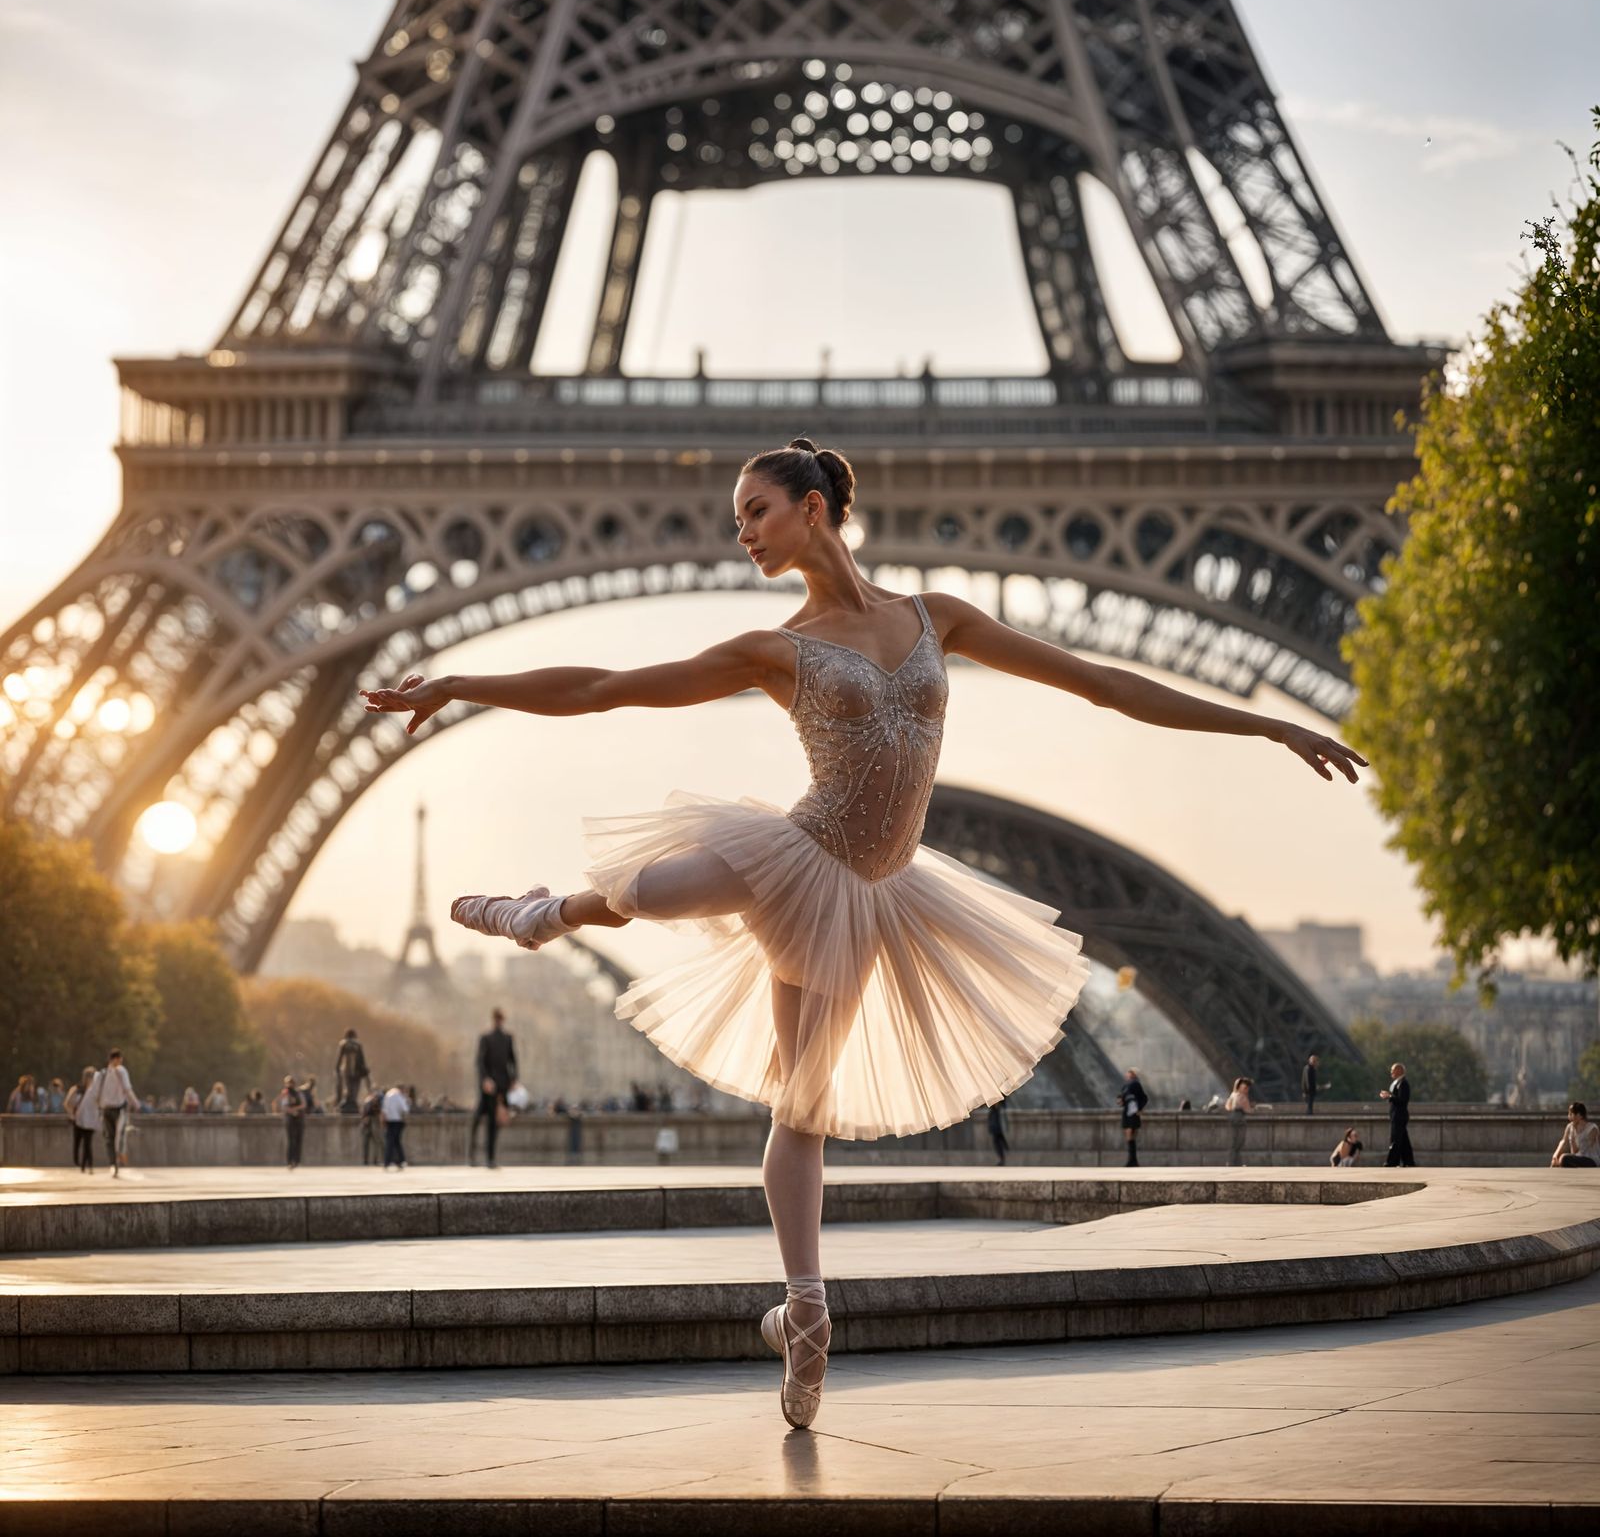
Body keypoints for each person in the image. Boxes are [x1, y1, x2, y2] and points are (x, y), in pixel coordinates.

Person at [361, 436, 1366, 1432]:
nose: (741, 533)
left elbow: (1102, 684)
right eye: (734, 519)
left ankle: (804, 1312)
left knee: (800, 1110)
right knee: (659, 890)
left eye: (754, 510)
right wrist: (461, 686)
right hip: (797, 857)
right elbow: (603, 686)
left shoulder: (939, 619)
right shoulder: (774, 648)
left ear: (813, 507)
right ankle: (546, 913)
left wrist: (1264, 725)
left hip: (874, 897)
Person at [469, 1008, 519, 1168]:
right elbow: (480, 1062)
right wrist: (485, 1080)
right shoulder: (486, 1038)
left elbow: (513, 1060)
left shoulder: (507, 1038)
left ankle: (489, 1158)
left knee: (494, 1122)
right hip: (489, 1086)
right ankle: (473, 1154)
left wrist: (513, 1079)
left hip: (501, 1085)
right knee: (480, 1120)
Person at [91, 1050, 138, 1177]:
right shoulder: (121, 1070)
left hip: (106, 1109)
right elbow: (127, 1089)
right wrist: (136, 1103)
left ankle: (113, 1162)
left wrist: (99, 1107)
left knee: (109, 1138)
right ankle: (119, 1155)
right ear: (118, 1059)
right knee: (120, 1134)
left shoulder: (101, 1074)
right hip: (119, 1109)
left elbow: (94, 1094)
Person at [1224, 1077, 1271, 1165]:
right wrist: (1253, 1108)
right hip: (1240, 1119)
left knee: (1233, 1143)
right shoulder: (1242, 1097)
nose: (1247, 1090)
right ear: (1241, 1087)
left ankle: (1231, 1162)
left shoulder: (1233, 1095)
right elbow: (1248, 1110)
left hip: (1232, 1117)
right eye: (1246, 1088)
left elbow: (1228, 1106)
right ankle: (1235, 1163)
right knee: (1239, 1142)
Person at [65, 1066, 99, 1173]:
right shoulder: (77, 1089)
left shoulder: (95, 1091)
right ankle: (78, 1162)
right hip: (78, 1120)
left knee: (87, 1144)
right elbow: (67, 1103)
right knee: (77, 1143)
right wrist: (72, 1115)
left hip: (90, 1121)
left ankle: (87, 1166)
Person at [1380, 1062, 1414, 1167]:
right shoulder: (1398, 1083)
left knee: (1395, 1139)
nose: (1391, 1072)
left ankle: (1392, 1162)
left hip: (1399, 1116)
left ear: (1399, 1071)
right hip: (1397, 1116)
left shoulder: (1403, 1084)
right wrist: (1390, 1095)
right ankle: (1408, 1161)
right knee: (1403, 1141)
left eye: (1392, 1070)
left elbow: (1402, 1100)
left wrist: (1389, 1096)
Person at [1551, 1102, 1600, 1168]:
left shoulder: (1592, 1128)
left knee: (1564, 1158)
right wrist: (1555, 1156)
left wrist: (1574, 1135)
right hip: (1578, 1158)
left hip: (1591, 1159)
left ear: (1579, 1115)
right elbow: (1564, 1142)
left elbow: (1580, 1150)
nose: (1569, 1117)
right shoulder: (1570, 1127)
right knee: (1560, 1159)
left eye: (1571, 1114)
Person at [334, 1029, 370, 1115]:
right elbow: (362, 1059)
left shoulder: (343, 1044)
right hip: (357, 1070)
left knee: (348, 1087)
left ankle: (348, 1102)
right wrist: (364, 1070)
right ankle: (352, 1102)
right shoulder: (358, 1045)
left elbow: (339, 1058)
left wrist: (337, 1068)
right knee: (355, 1088)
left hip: (346, 1069)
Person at [1119, 1068, 1149, 1167]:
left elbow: (1144, 1098)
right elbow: (1122, 1098)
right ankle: (1132, 1159)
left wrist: (1139, 1108)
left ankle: (1132, 1160)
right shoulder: (1126, 1085)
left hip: (1132, 1111)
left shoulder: (1135, 1084)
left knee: (1131, 1133)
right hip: (1128, 1111)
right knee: (1129, 1134)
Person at [277, 1074, 307, 1169]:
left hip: (299, 1119)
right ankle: (290, 1161)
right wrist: (292, 1111)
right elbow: (283, 1106)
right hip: (290, 1119)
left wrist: (294, 1109)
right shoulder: (285, 1093)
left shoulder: (298, 1093)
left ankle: (297, 1161)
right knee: (291, 1141)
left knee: (298, 1140)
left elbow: (303, 1104)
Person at [381, 1083, 410, 1170]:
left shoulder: (388, 1095)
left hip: (389, 1121)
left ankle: (390, 1161)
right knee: (396, 1142)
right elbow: (405, 1109)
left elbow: (384, 1110)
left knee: (391, 1142)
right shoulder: (399, 1096)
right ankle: (399, 1161)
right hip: (398, 1121)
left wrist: (383, 1120)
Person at [360, 1087, 384, 1165]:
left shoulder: (367, 1100)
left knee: (369, 1143)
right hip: (372, 1122)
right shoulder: (372, 1100)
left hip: (368, 1122)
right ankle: (372, 1160)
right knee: (375, 1142)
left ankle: (368, 1160)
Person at [986, 1095, 1010, 1166]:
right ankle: (1003, 1156)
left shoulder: (999, 1106)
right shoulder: (995, 1108)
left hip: (998, 1126)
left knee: (998, 1140)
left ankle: (1003, 1157)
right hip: (996, 1126)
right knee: (998, 1140)